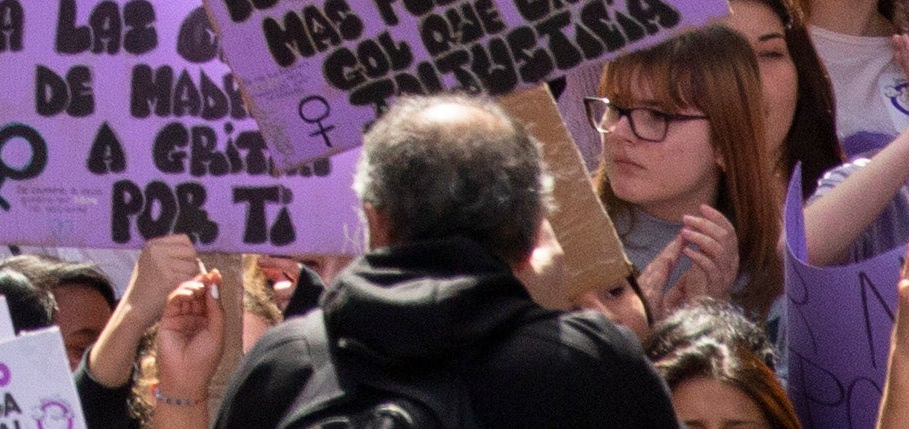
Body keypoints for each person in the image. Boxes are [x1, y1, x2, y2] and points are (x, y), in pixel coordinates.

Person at [205, 99, 680, 429]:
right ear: (534, 228)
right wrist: (550, 325)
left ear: (374, 220)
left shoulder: (283, 366)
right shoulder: (587, 367)